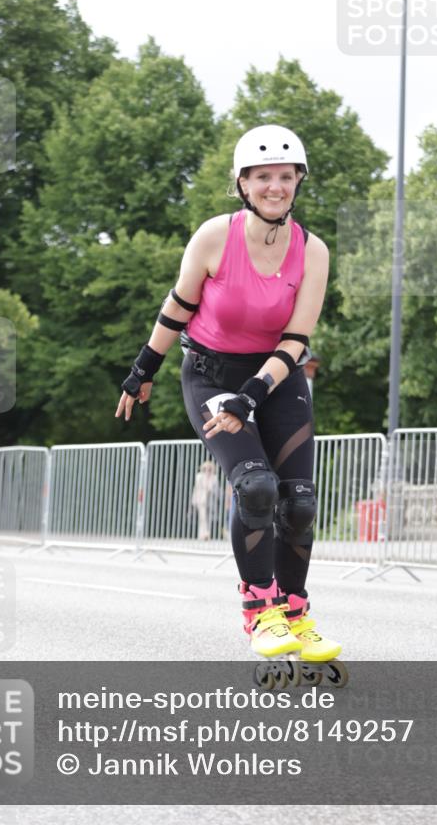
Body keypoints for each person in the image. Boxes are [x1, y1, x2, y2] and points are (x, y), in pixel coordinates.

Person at [116, 124, 341, 665]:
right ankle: (259, 609)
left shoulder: (313, 251)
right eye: (263, 177)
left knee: (300, 501)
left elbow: (296, 339)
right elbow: (178, 307)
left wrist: (255, 393)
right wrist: (143, 368)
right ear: (242, 183)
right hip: (211, 375)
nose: (275, 187)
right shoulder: (214, 236)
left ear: (298, 182)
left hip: (277, 378)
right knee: (257, 487)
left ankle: (295, 612)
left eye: (286, 177)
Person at [191, 460, 218, 541]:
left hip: (210, 501)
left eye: (209, 469)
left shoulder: (214, 478)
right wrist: (194, 499)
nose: (207, 470)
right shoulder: (199, 476)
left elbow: (214, 490)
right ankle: (205, 534)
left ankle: (204, 534)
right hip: (201, 500)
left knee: (208, 518)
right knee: (202, 518)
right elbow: (196, 489)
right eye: (206, 468)